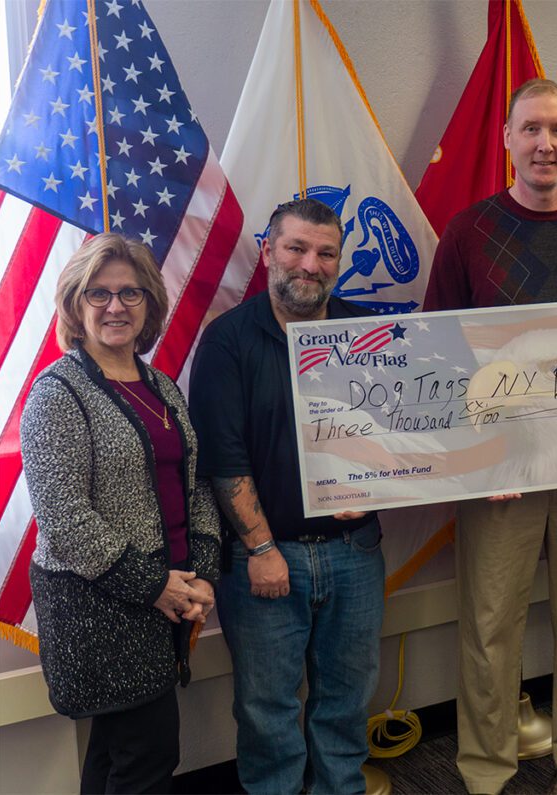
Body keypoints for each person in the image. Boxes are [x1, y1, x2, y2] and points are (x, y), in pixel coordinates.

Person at [422, 78, 557, 794]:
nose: (544, 143)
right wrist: (474, 455)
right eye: (531, 129)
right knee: (489, 623)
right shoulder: (468, 229)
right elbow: (438, 352)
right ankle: (486, 767)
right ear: (508, 139)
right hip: (500, 470)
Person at [188, 199, 384, 794]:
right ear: (267, 251)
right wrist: (261, 546)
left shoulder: (369, 335)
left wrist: (374, 487)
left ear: (339, 262)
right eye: (296, 249)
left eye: (326, 253)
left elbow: (403, 434)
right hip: (268, 557)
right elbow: (224, 460)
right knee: (267, 710)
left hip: (356, 550)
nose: (311, 264)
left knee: (347, 701)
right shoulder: (228, 342)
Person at [20, 233, 220, 794]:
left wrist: (203, 569)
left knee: (116, 755)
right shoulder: (56, 393)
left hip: (170, 594)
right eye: (99, 294)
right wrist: (155, 586)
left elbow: (195, 480)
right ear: (75, 307)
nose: (115, 307)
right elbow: (65, 519)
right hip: (101, 608)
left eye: (130, 293)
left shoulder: (162, 387)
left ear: (150, 304)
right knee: (148, 757)